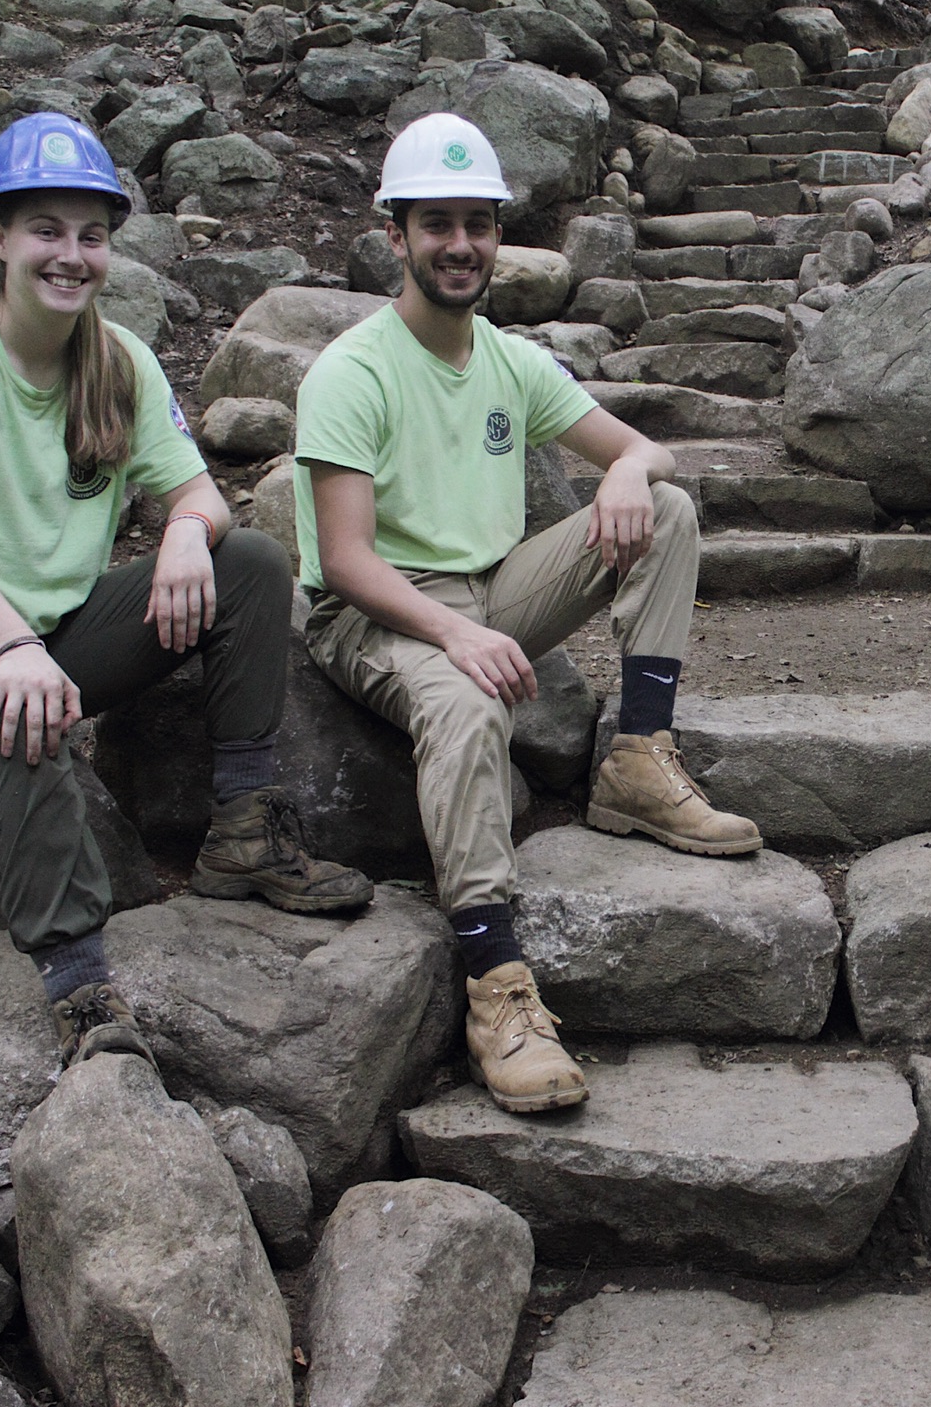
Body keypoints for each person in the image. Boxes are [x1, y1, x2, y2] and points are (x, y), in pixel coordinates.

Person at [0, 113, 372, 1069]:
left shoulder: (119, 361)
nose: (70, 256)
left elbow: (197, 492)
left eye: (91, 234)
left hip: (51, 625)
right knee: (17, 713)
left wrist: (189, 536)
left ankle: (245, 828)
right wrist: (15, 651)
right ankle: (77, 979)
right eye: (45, 228)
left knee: (248, 564)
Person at [296, 112, 762, 1116]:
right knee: (466, 705)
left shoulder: (507, 360)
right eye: (437, 224)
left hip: (489, 589)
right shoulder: (353, 370)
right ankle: (495, 987)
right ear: (397, 234)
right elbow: (341, 558)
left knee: (669, 511)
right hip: (371, 609)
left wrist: (631, 470)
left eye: (478, 222)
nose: (460, 245)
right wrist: (456, 634)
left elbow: (649, 450)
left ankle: (638, 758)